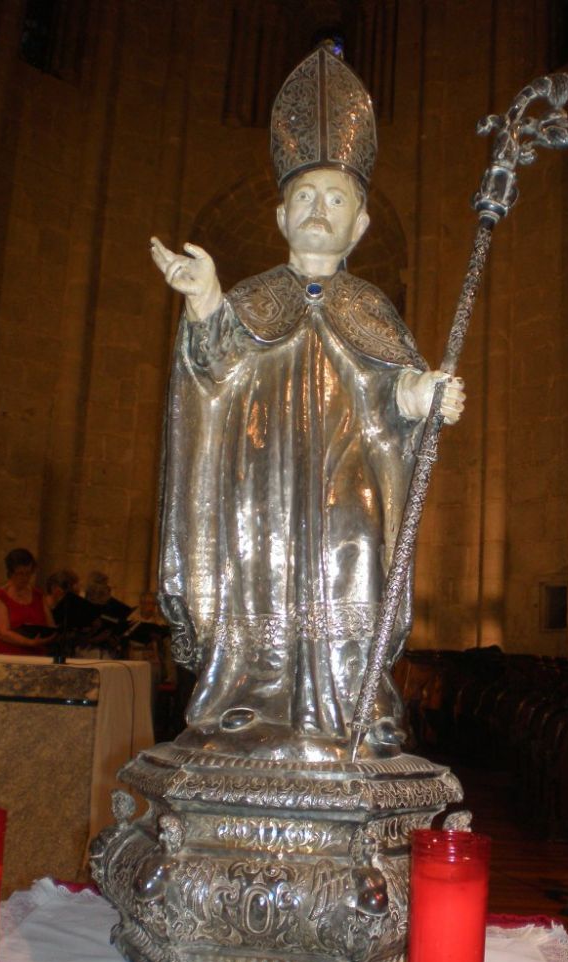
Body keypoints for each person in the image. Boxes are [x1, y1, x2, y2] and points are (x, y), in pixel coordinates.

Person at [151, 44, 464, 757]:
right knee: (259, 578)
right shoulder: (251, 298)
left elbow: (393, 395)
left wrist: (420, 395)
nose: (319, 210)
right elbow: (212, 370)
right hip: (259, 482)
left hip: (348, 483)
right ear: (281, 217)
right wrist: (204, 301)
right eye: (304, 199)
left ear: (359, 226)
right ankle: (246, 704)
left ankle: (354, 709)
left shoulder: (371, 306)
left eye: (336, 200)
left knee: (356, 558)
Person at [0, 548, 56, 655]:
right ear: (11, 572)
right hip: (9, 656)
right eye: (20, 573)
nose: (25, 578)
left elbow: (50, 627)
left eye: (28, 573)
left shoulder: (38, 595)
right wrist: (29, 642)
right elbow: (3, 633)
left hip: (37, 655)